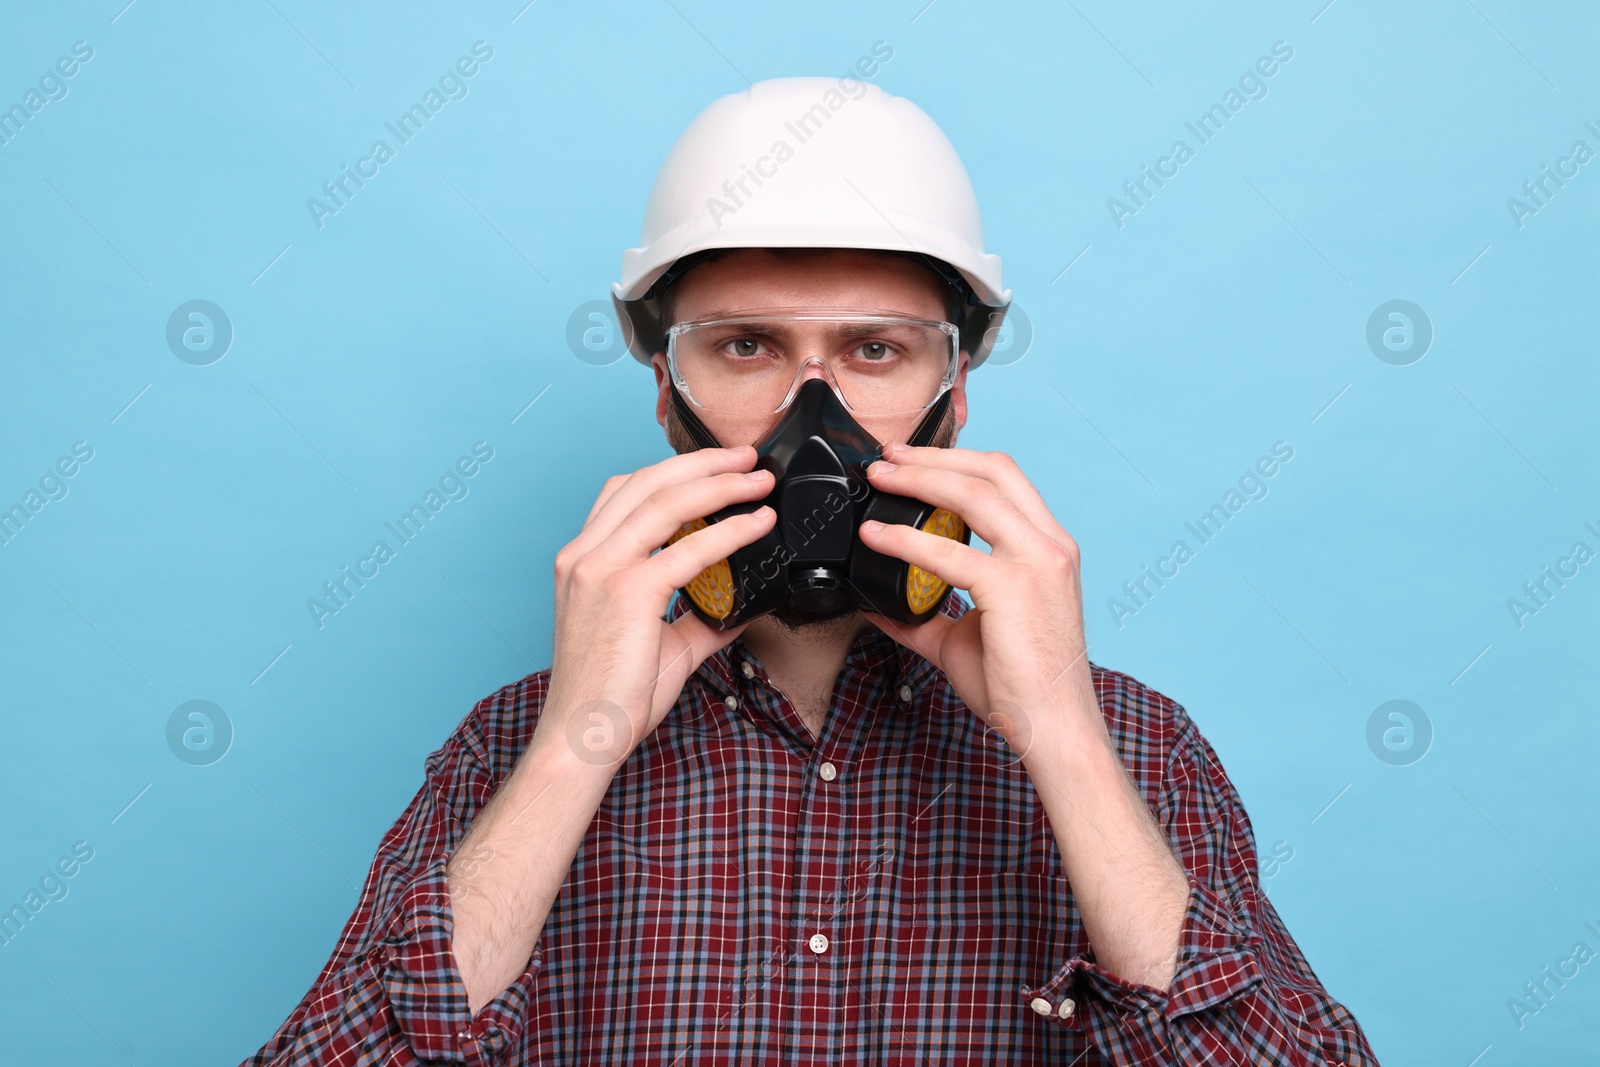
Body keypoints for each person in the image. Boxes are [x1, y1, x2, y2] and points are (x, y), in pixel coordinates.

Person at [243, 77, 1378, 1066]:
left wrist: (1067, 746)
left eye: (876, 350)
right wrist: (573, 743)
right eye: (744, 346)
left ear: (955, 397)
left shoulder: (1134, 746)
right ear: (665, 394)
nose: (812, 412)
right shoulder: (508, 747)